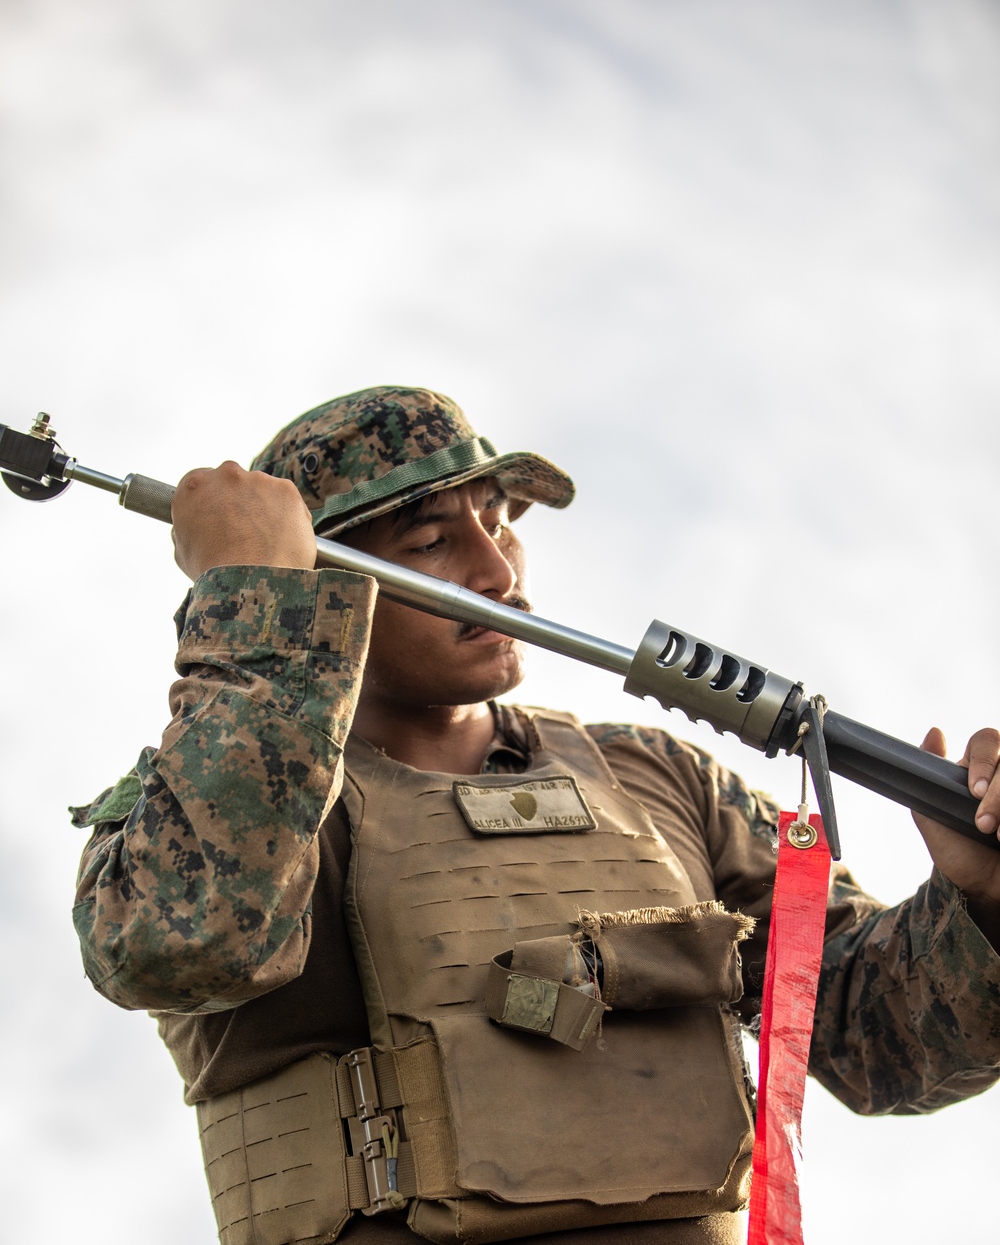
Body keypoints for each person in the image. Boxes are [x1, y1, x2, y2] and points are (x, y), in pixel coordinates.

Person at [72, 386, 1000, 1245]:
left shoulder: (658, 777)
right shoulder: (212, 796)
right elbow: (174, 946)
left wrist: (980, 897)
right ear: (320, 581)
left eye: (501, 522)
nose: (493, 567)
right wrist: (256, 613)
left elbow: (884, 1046)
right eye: (431, 542)